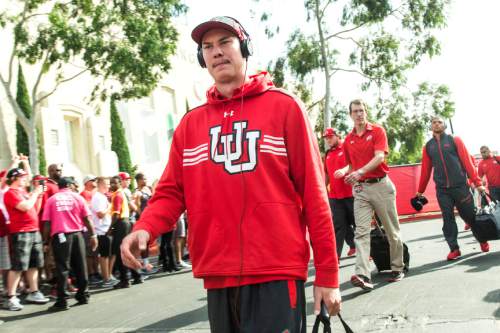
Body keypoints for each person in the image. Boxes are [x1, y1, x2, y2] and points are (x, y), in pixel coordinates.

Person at [121, 16, 341, 332]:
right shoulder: (191, 125)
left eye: (225, 42)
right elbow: (171, 192)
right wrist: (145, 228)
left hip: (276, 274)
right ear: (201, 58)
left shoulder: (285, 107)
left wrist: (328, 274)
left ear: (245, 48)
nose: (216, 52)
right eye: (207, 46)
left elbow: (315, 196)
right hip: (218, 277)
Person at [335, 99, 405, 291]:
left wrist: (360, 172)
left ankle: (397, 267)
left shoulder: (377, 131)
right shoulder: (348, 140)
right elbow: (351, 165)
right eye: (355, 111)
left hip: (381, 186)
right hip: (361, 190)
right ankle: (363, 274)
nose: (359, 114)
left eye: (362, 110)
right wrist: (344, 170)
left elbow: (379, 157)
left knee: (392, 231)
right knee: (361, 232)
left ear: (365, 112)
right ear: (350, 115)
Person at [416, 116, 489, 259]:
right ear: (431, 127)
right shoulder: (428, 146)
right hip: (442, 190)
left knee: (470, 216)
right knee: (447, 219)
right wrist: (420, 190)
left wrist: (477, 183)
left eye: (439, 122)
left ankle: (482, 239)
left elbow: (467, 162)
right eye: (434, 123)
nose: (436, 124)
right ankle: (454, 248)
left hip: (460, 186)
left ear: (444, 126)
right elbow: (425, 170)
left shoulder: (455, 140)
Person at [42, 177, 97, 311]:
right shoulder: (78, 197)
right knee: (80, 265)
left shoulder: (51, 200)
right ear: (68, 185)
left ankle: (62, 300)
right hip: (78, 235)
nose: (75, 186)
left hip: (61, 236)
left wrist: (45, 241)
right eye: (74, 184)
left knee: (62, 267)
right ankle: (83, 295)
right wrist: (93, 235)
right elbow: (87, 219)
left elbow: (47, 223)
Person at [3, 168, 49, 311]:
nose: (25, 179)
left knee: (33, 264)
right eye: (22, 176)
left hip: (33, 230)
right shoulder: (10, 193)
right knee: (18, 265)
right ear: (14, 178)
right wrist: (35, 192)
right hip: (21, 232)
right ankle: (11, 297)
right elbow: (25, 207)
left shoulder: (23, 192)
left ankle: (34, 291)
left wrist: (39, 195)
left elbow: (34, 208)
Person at [323, 127, 356, 259]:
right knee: (339, 226)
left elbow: (352, 164)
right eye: (326, 138)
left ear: (338, 136)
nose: (328, 140)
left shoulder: (347, 147)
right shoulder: (327, 153)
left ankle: (366, 250)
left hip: (351, 194)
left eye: (330, 137)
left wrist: (343, 170)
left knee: (357, 223)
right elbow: (326, 174)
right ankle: (335, 258)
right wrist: (323, 189)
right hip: (335, 197)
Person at [108, 176, 142, 288]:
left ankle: (125, 280)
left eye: (114, 183)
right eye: (111, 183)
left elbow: (116, 214)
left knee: (119, 253)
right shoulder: (121, 193)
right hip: (126, 223)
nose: (112, 185)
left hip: (121, 223)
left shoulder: (117, 195)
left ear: (119, 183)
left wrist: (110, 228)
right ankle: (136, 276)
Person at [90, 177, 116, 287]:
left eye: (109, 184)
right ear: (99, 184)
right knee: (104, 256)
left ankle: (108, 276)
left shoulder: (102, 197)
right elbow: (100, 214)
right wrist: (110, 207)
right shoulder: (98, 197)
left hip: (106, 229)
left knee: (109, 254)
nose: (108, 186)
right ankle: (106, 278)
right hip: (101, 230)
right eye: (106, 184)